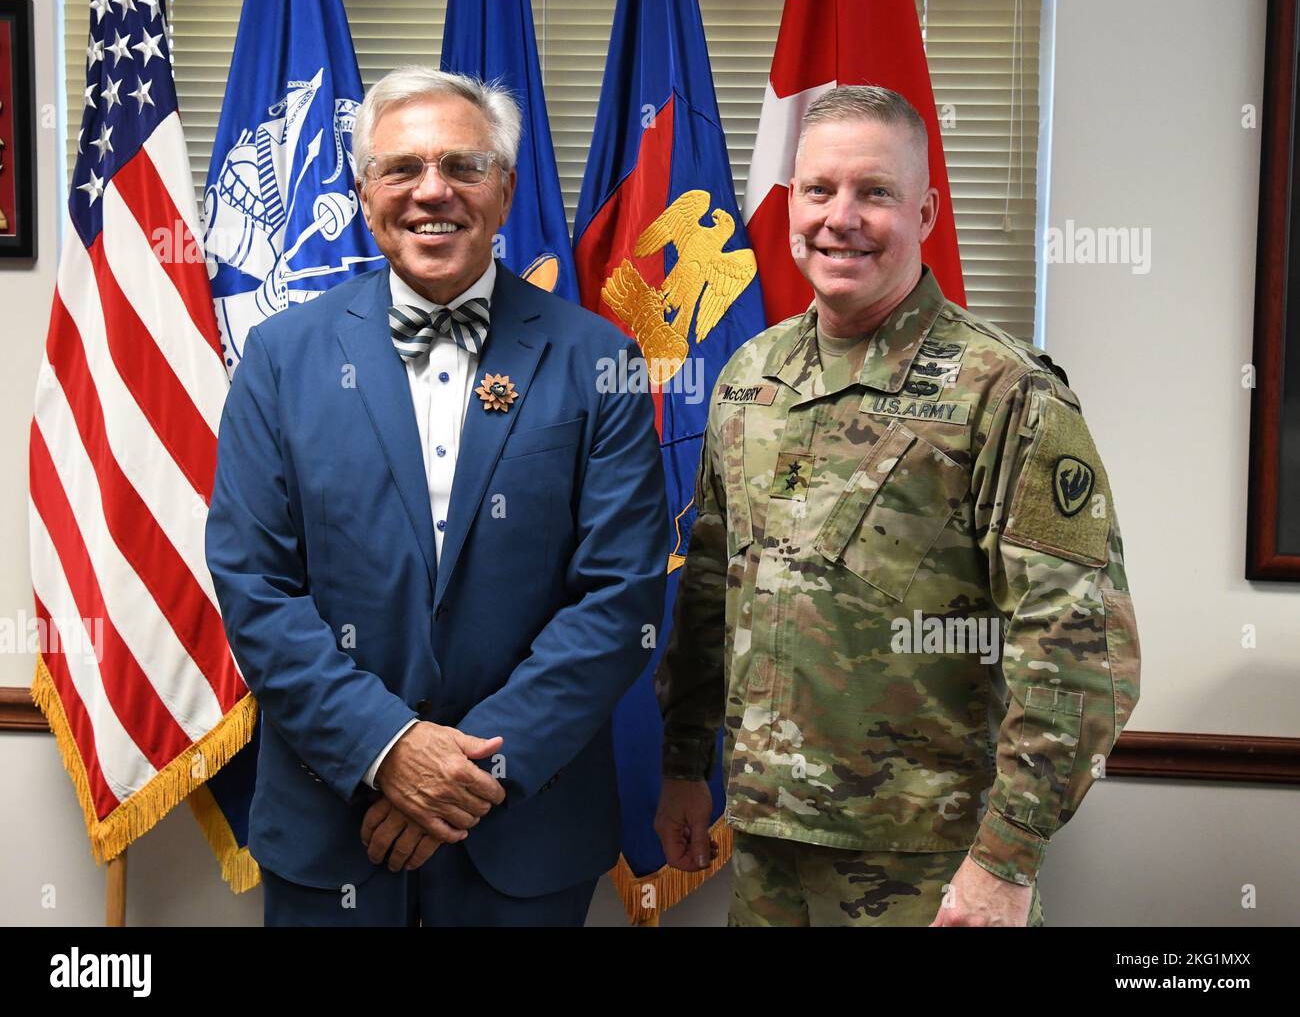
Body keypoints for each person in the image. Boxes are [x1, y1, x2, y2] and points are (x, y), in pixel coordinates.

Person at [653, 85, 1140, 927]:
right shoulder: (750, 376)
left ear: (925, 212)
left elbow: (1077, 651)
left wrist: (1005, 861)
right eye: (818, 190)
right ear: (791, 202)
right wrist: (685, 765)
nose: (840, 217)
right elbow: (709, 591)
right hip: (767, 838)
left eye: (874, 192)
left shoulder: (1007, 394)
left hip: (928, 862)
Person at [207, 66, 667, 927]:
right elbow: (255, 587)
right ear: (362, 191)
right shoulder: (279, 358)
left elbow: (620, 596)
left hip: (526, 832)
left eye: (462, 166)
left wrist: (469, 775)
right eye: (402, 168)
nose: (432, 192)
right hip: (330, 825)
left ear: (504, 190)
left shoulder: (598, 360)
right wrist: (386, 750)